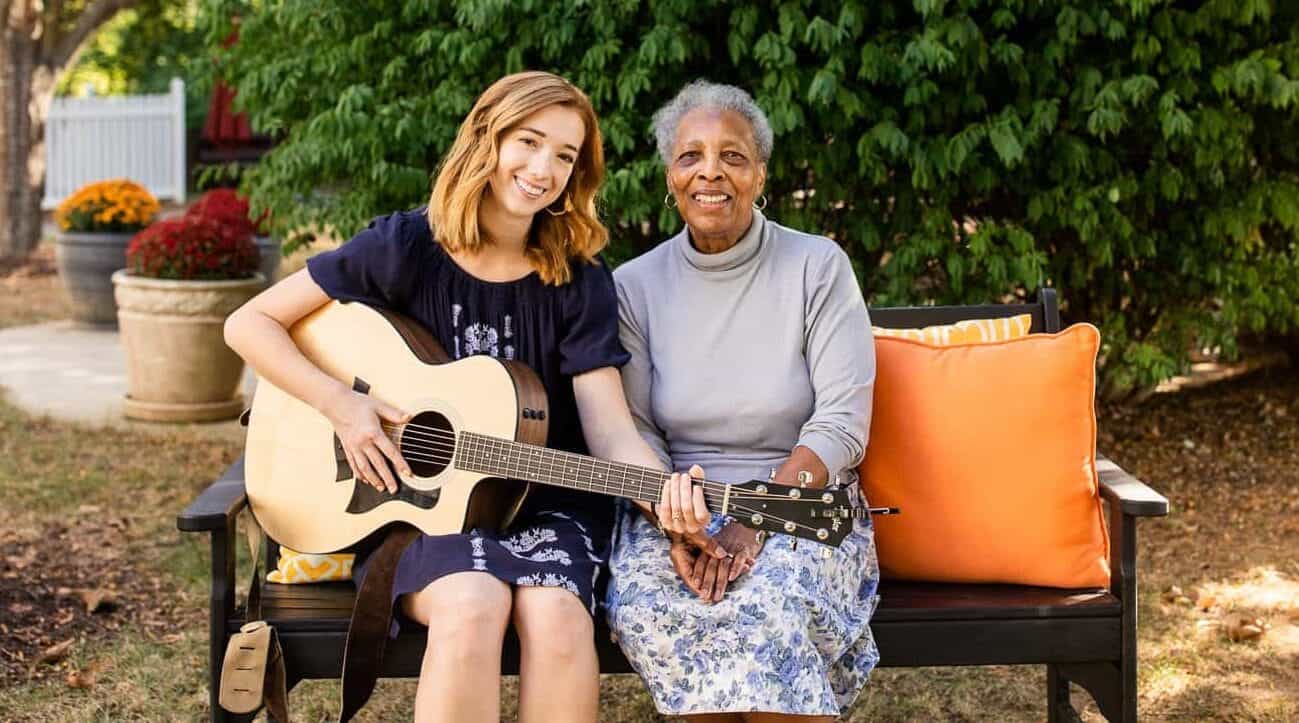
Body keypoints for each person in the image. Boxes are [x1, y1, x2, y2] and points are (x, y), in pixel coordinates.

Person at [223, 71, 701, 723]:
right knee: (470, 601)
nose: (542, 168)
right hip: (422, 510)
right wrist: (342, 403)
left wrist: (664, 494)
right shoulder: (406, 247)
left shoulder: (579, 280)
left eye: (564, 155)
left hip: (547, 501)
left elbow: (612, 433)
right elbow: (248, 323)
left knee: (557, 613)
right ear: (487, 139)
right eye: (529, 142)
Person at [605, 80, 882, 721]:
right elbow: (637, 429)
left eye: (732, 156)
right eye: (690, 156)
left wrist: (753, 519)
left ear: (760, 174)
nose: (711, 171)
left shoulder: (817, 266)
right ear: (671, 176)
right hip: (677, 511)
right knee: (665, 605)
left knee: (771, 603)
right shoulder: (634, 287)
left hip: (803, 505)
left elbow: (842, 424)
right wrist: (675, 521)